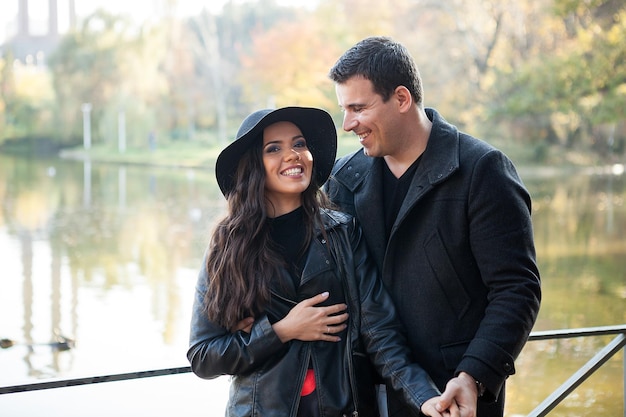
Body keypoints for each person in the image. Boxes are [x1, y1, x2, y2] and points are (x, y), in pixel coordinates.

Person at [187, 106, 459, 417]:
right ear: (254, 166)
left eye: (299, 144)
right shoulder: (228, 248)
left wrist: (425, 398)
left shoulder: (343, 233)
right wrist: (282, 331)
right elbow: (204, 356)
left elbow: (380, 332)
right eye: (274, 148)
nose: (292, 155)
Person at [325, 36, 542, 417]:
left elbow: (517, 290)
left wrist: (474, 374)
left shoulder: (483, 171)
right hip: (360, 398)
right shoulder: (343, 178)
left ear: (402, 99)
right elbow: (315, 269)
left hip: (453, 399)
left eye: (358, 108)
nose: (347, 124)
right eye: (344, 109)